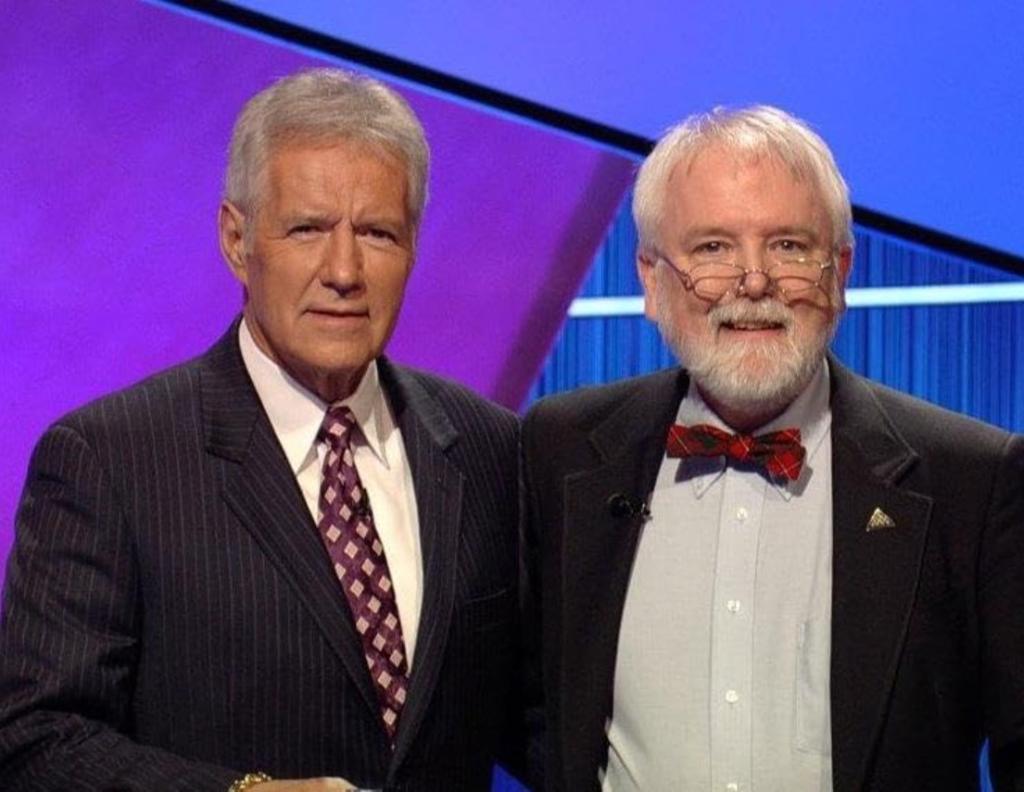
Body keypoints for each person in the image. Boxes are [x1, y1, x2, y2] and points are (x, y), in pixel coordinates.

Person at [0, 68, 522, 791]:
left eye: (377, 233)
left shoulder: (490, 447)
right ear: (237, 240)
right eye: (308, 229)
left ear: (413, 249)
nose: (344, 270)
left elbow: (540, 718)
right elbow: (37, 742)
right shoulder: (108, 460)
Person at [522, 105, 1024, 791]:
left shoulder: (972, 478)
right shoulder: (562, 450)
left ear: (840, 270)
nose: (753, 281)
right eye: (712, 248)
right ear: (650, 279)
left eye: (788, 246)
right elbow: (524, 710)